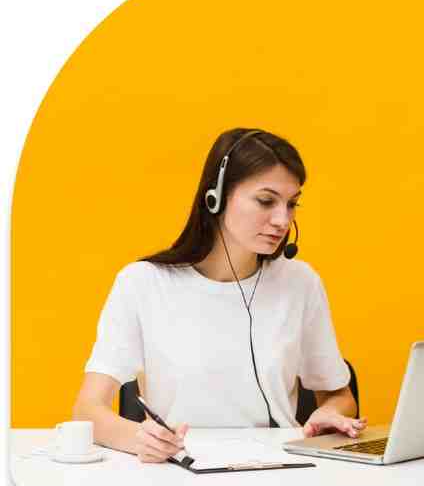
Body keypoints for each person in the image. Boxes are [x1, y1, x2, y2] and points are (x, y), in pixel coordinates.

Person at [74, 128, 365, 462]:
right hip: (177, 470)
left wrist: (327, 414)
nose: (282, 220)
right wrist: (139, 439)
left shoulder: (300, 282)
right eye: (266, 201)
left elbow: (339, 394)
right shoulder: (142, 283)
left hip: (280, 472)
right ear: (216, 196)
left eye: (292, 204)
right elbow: (87, 410)